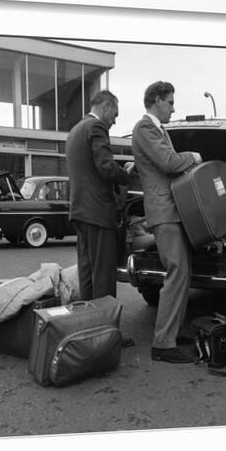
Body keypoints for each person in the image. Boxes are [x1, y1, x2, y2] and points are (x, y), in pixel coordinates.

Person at [132, 81, 202, 363]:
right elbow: (169, 163)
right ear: (157, 100)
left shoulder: (155, 130)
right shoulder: (145, 128)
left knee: (183, 272)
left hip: (172, 210)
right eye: (170, 102)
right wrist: (194, 157)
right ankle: (163, 343)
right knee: (176, 271)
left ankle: (172, 333)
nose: (174, 108)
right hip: (164, 211)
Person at [65, 90, 133, 301]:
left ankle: (89, 325)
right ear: (106, 106)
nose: (114, 120)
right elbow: (106, 168)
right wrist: (126, 174)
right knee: (103, 275)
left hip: (80, 211)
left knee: (87, 272)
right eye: (115, 114)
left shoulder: (75, 130)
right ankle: (106, 329)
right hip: (98, 212)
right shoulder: (96, 127)